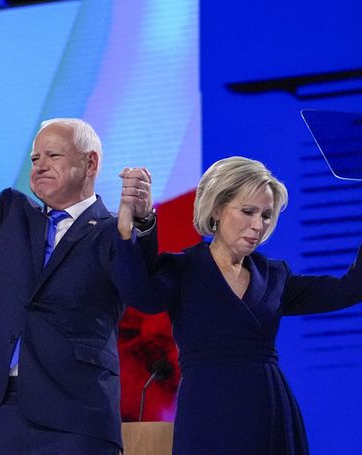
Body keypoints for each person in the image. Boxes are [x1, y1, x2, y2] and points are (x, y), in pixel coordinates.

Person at [0, 13, 158, 454]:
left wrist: (139, 224)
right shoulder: (12, 215)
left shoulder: (111, 233)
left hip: (75, 417)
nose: (39, 166)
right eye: (34, 158)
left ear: (90, 164)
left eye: (52, 155)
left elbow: (142, 289)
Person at [114, 156, 362, 454]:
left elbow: (349, 289)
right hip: (207, 415)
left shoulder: (275, 275)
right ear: (216, 208)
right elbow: (140, 294)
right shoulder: (183, 270)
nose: (258, 225)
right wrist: (137, 221)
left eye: (266, 215)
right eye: (247, 211)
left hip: (269, 414)